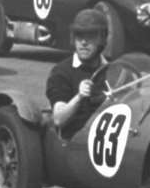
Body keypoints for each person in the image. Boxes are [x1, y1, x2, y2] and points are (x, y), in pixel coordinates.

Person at [47, 8, 110, 139]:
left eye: (91, 36)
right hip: (74, 143)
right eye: (79, 35)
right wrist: (79, 97)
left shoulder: (112, 70)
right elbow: (58, 119)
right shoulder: (61, 72)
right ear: (73, 38)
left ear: (102, 39)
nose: (84, 42)